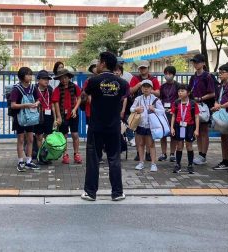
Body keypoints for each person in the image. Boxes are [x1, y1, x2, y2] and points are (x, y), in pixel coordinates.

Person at [81, 52, 129, 201]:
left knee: (93, 159)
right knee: (114, 159)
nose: (97, 65)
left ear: (102, 63)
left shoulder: (92, 81)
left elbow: (84, 98)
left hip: (96, 126)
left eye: (98, 62)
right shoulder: (122, 83)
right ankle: (117, 192)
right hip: (114, 126)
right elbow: (124, 98)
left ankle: (90, 192)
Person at [130, 80, 165, 172]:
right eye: (144, 87)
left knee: (151, 145)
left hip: (151, 125)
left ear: (151, 88)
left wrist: (154, 109)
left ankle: (153, 164)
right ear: (141, 88)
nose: (146, 89)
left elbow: (162, 111)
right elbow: (131, 109)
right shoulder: (138, 99)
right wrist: (136, 109)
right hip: (141, 124)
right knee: (140, 144)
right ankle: (141, 162)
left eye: (148, 87)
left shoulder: (155, 99)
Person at [10, 67, 40, 172]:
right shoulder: (16, 89)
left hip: (30, 117)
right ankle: (20, 161)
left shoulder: (33, 87)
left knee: (31, 139)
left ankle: (29, 161)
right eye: (28, 74)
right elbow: (13, 105)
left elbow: (38, 99)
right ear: (22, 76)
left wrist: (36, 103)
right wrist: (26, 105)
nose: (30, 76)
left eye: (30, 74)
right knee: (21, 139)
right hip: (20, 117)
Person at [130, 60, 161, 161]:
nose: (142, 70)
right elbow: (130, 91)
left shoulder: (154, 79)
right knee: (138, 132)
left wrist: (148, 89)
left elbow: (158, 93)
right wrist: (139, 85)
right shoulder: (135, 79)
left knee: (149, 134)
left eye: (144, 68)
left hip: (150, 110)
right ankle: (139, 153)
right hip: (138, 108)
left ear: (148, 68)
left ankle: (148, 154)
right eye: (141, 68)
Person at [188, 54, 216, 166]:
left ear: (203, 63)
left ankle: (203, 155)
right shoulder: (193, 77)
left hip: (204, 107)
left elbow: (213, 93)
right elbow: (189, 91)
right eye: (194, 62)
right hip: (195, 106)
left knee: (204, 130)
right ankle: (200, 154)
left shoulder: (208, 76)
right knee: (198, 131)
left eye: (198, 62)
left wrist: (200, 99)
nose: (195, 64)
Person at [52, 68, 83, 164]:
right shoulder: (57, 89)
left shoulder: (74, 87)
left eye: (65, 78)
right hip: (62, 115)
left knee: (75, 134)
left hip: (73, 114)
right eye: (61, 79)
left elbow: (79, 98)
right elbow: (56, 103)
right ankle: (65, 154)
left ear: (69, 78)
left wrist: (75, 109)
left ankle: (76, 153)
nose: (64, 80)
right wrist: (58, 116)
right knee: (64, 135)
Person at [170, 84, 199, 174]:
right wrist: (172, 128)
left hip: (189, 127)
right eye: (179, 91)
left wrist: (196, 129)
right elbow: (173, 116)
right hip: (179, 126)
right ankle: (178, 164)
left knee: (189, 146)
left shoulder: (193, 103)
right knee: (179, 146)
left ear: (188, 92)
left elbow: (197, 117)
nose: (180, 93)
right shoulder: (176, 103)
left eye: (182, 91)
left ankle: (190, 165)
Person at [158, 65, 179, 162]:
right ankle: (163, 153)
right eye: (166, 74)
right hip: (164, 112)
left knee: (173, 133)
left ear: (173, 75)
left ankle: (172, 154)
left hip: (174, 112)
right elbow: (160, 98)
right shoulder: (162, 86)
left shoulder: (178, 86)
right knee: (163, 133)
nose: (167, 75)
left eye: (169, 73)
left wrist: (174, 108)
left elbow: (180, 99)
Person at [34, 70, 55, 155]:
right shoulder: (34, 89)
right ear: (38, 80)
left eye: (48, 79)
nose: (46, 81)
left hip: (49, 115)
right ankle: (40, 155)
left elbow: (53, 104)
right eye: (44, 79)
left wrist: (55, 118)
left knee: (48, 136)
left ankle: (47, 154)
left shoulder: (50, 89)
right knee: (39, 136)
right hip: (38, 115)